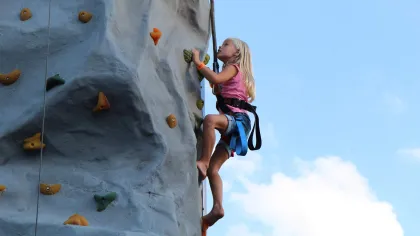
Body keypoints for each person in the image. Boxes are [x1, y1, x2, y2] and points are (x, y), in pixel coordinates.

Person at [192, 37, 256, 233]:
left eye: (226, 44)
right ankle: (217, 209)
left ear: (237, 53)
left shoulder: (234, 67)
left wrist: (198, 62)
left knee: (210, 121)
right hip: (237, 126)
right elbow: (219, 86)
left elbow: (216, 79)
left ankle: (202, 160)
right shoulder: (234, 74)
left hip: (237, 121)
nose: (221, 46)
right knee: (214, 170)